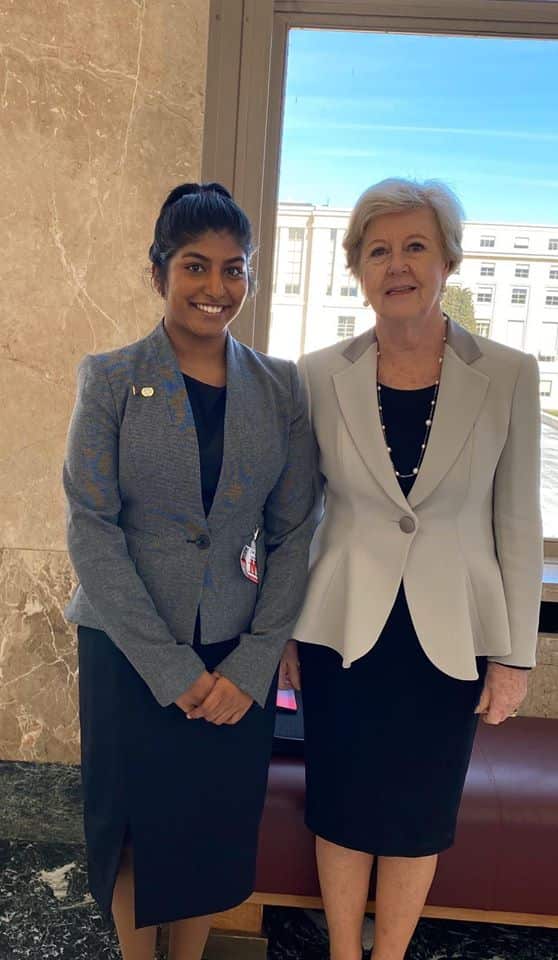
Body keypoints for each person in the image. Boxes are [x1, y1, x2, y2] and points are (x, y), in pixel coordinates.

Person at [280, 178, 543, 960]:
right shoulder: (316, 372)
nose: (398, 264)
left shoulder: (508, 372)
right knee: (340, 804)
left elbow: (517, 520)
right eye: (379, 250)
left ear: (448, 261)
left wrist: (516, 656)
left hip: (453, 632)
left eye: (415, 246)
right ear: (357, 268)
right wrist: (284, 629)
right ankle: (339, 951)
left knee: (420, 811)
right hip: (340, 624)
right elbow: (297, 514)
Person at [63, 182, 316, 960]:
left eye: (234, 269)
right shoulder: (110, 379)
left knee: (210, 831)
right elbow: (92, 527)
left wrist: (253, 662)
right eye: (195, 267)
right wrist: (169, 668)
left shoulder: (281, 388)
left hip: (235, 655)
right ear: (159, 273)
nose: (216, 288)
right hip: (130, 649)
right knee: (135, 828)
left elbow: (296, 530)